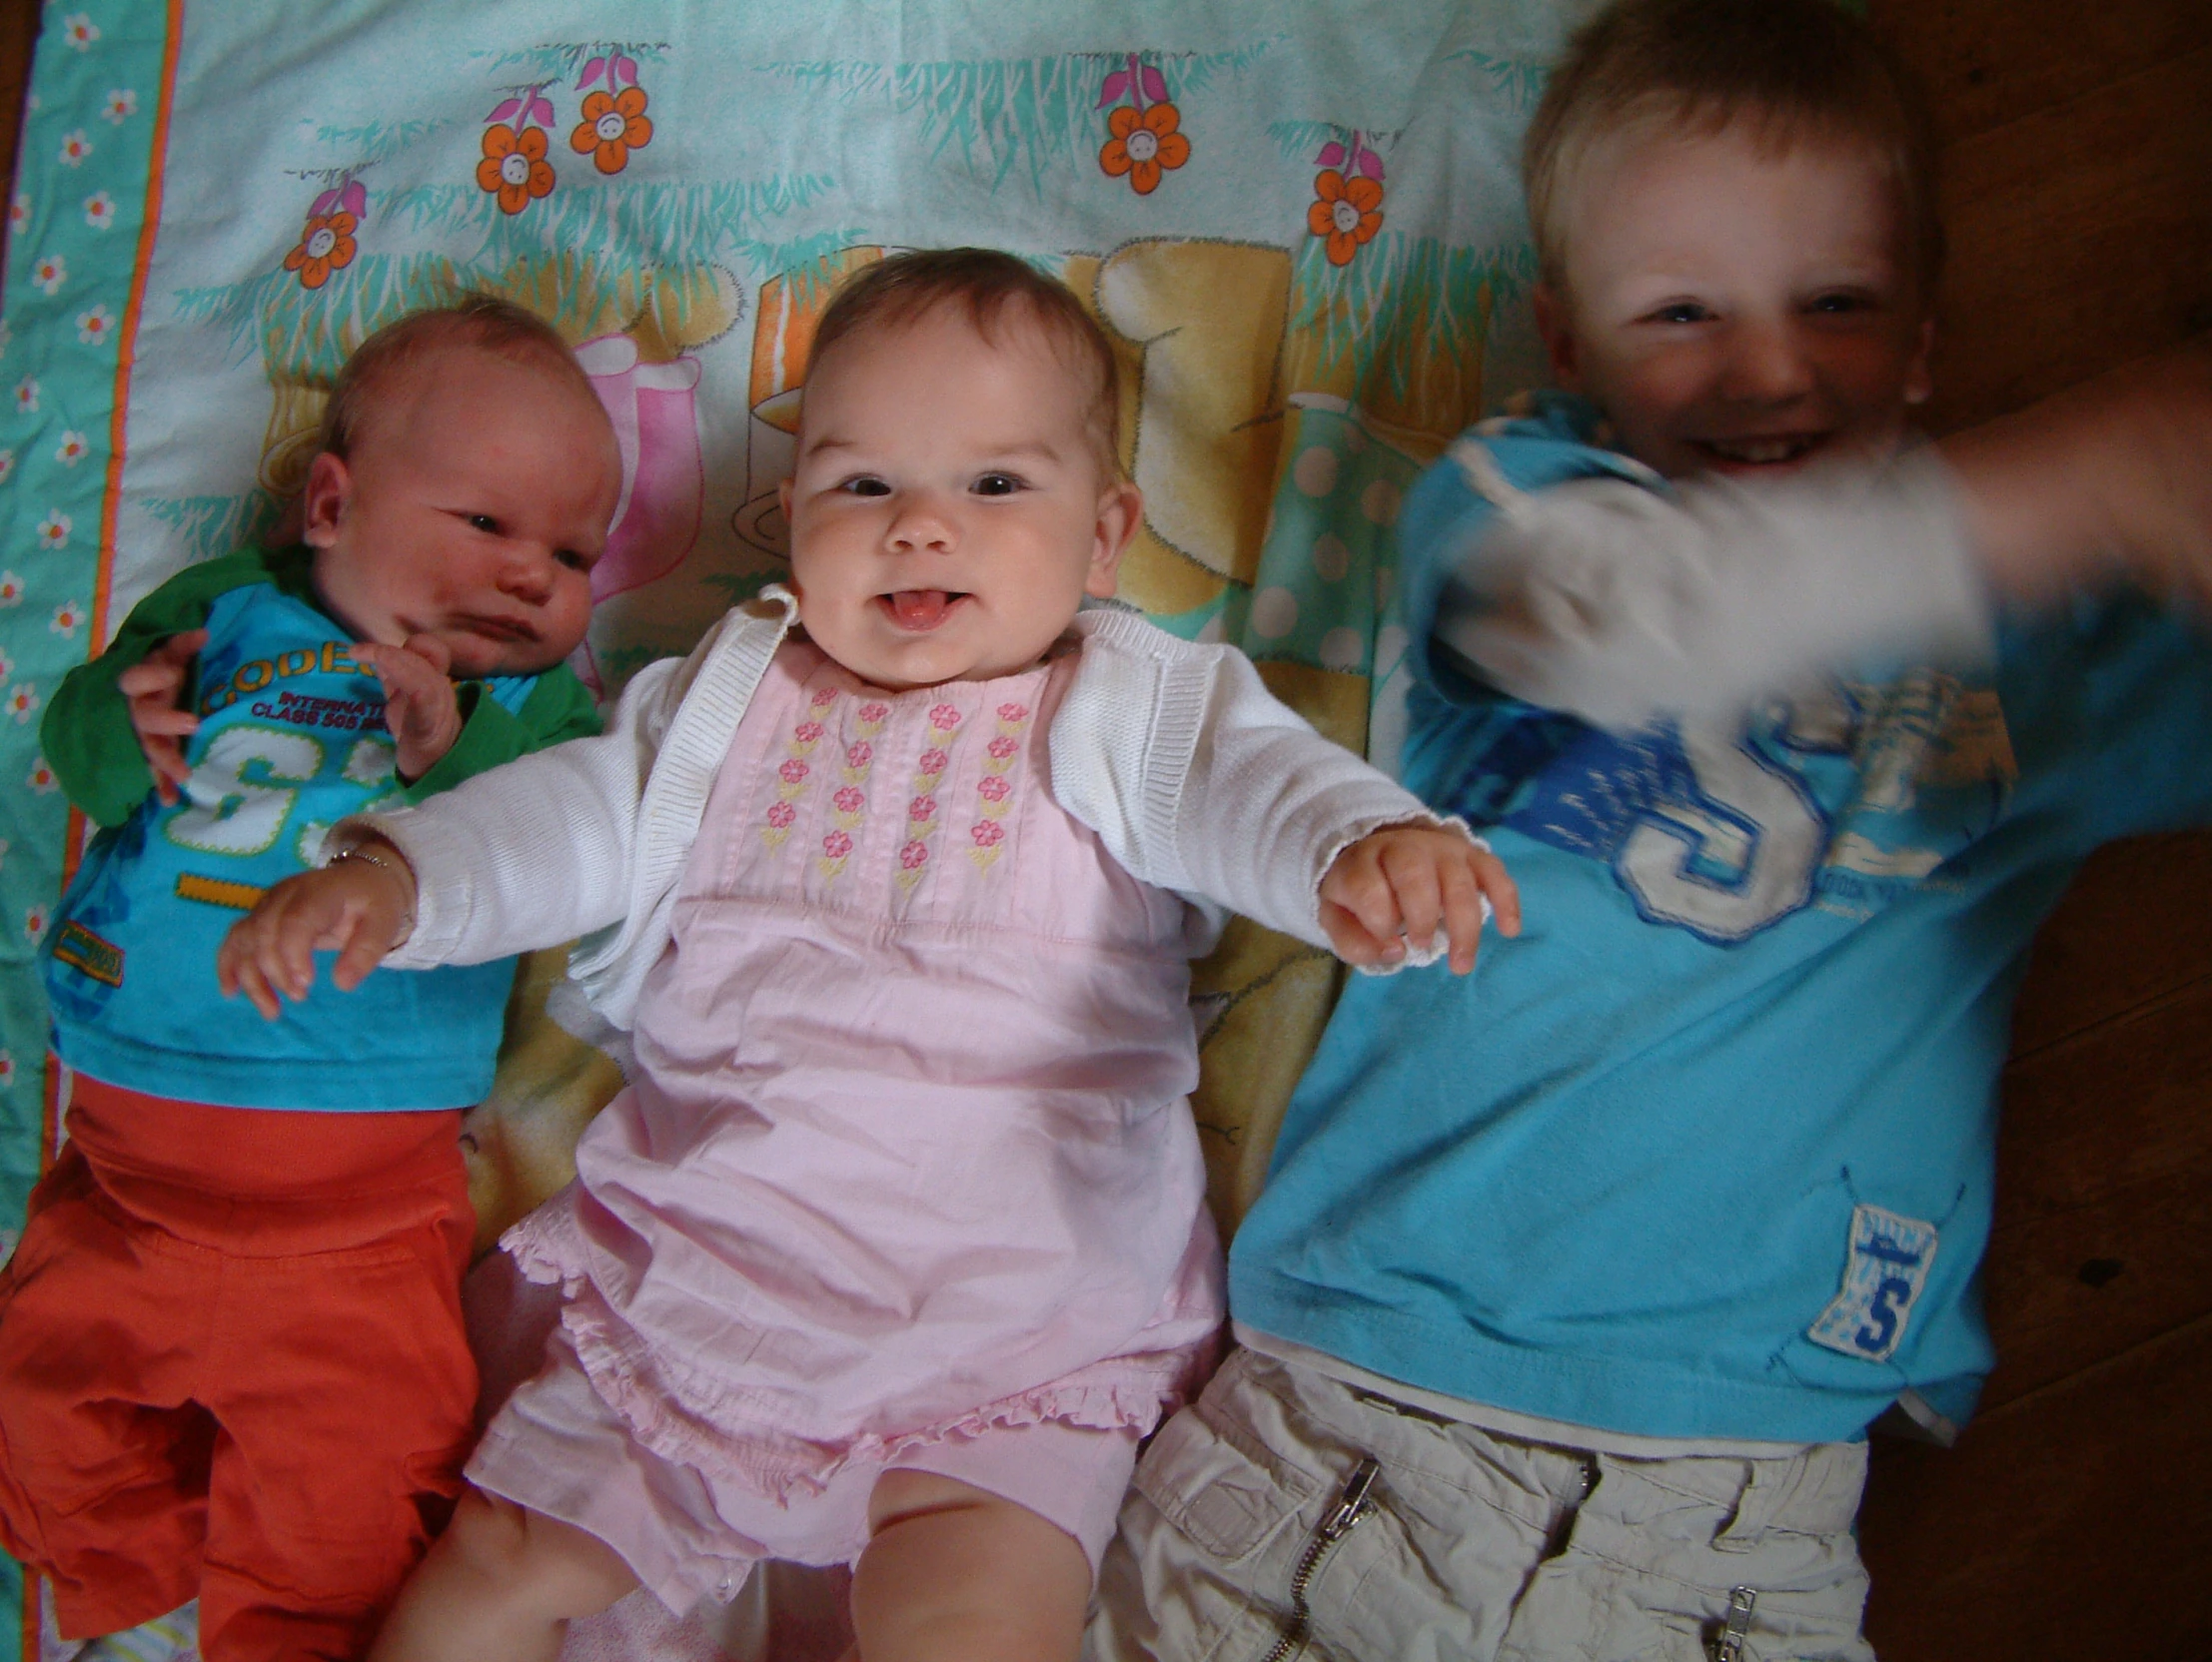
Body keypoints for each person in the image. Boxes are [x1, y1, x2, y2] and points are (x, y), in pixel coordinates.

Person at [1088, 2, 2212, 1657]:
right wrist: (2064, 486)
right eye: (1680, 313)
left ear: (1920, 342)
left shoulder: (2035, 655)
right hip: (1367, 1426)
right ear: (1570, 341)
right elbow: (1640, 624)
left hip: (1744, 1510)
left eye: (1834, 303)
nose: (1765, 370)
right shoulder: (1521, 506)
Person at [217, 248, 1522, 1662]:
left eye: (994, 485)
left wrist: (1356, 848)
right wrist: (402, 874)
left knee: (971, 1623)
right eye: (861, 485)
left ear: (1104, 535)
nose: (917, 528)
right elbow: (571, 821)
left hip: (1014, 1338)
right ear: (791, 524)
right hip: (704, 1293)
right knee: (496, 1570)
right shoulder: (729, 703)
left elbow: (1253, 789)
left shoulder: (1127, 706)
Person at [0, 297, 618, 1662]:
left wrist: (448, 758)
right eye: (488, 524)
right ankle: (127, 1575)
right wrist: (121, 712)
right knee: (41, 1427)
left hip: (359, 1212)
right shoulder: (219, 617)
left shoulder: (536, 713)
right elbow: (98, 773)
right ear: (331, 503)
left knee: (351, 1499)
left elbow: (563, 848)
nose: (533, 577)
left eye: (573, 553)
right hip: (120, 1160)